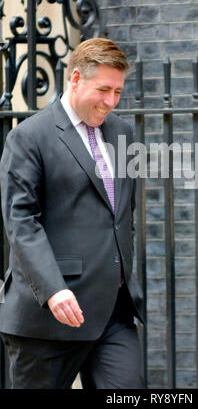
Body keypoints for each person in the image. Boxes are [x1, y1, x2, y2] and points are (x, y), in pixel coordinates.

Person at [0, 38, 144, 389]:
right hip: (49, 315)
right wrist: (53, 289)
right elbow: (21, 222)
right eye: (104, 90)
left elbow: (125, 214)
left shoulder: (125, 133)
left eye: (118, 92)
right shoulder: (28, 137)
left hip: (114, 313)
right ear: (76, 79)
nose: (111, 102)